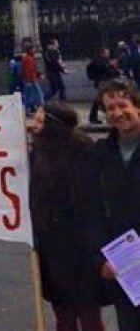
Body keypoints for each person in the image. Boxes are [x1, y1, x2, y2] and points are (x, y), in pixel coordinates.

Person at [29, 103, 108, 331]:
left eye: (41, 121)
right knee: (63, 310)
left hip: (79, 242)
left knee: (87, 309)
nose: (35, 126)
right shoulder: (38, 154)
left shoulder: (82, 152)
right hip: (51, 242)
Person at [83, 79, 140, 330]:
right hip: (124, 267)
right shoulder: (101, 153)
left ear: (137, 107)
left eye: (122, 105)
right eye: (110, 108)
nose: (117, 113)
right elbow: (91, 209)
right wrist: (99, 259)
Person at [86, 47, 120, 124]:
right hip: (103, 82)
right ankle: (94, 117)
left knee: (102, 100)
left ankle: (96, 117)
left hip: (104, 82)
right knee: (100, 100)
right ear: (102, 53)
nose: (108, 54)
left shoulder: (103, 61)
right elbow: (105, 71)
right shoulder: (99, 61)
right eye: (107, 52)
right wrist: (112, 67)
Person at [21, 42, 44, 115]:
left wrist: (38, 75)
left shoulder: (30, 58)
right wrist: (29, 81)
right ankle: (36, 108)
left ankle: (29, 109)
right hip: (31, 80)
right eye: (33, 49)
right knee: (38, 95)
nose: (35, 50)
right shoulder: (28, 59)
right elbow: (28, 70)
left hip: (30, 80)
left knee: (29, 95)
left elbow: (33, 69)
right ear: (30, 50)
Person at [43, 38, 67, 102]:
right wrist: (62, 70)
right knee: (55, 89)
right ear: (53, 44)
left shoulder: (51, 51)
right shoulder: (51, 52)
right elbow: (55, 62)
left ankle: (62, 103)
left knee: (60, 88)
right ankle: (43, 101)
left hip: (54, 72)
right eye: (56, 43)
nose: (58, 44)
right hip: (53, 73)